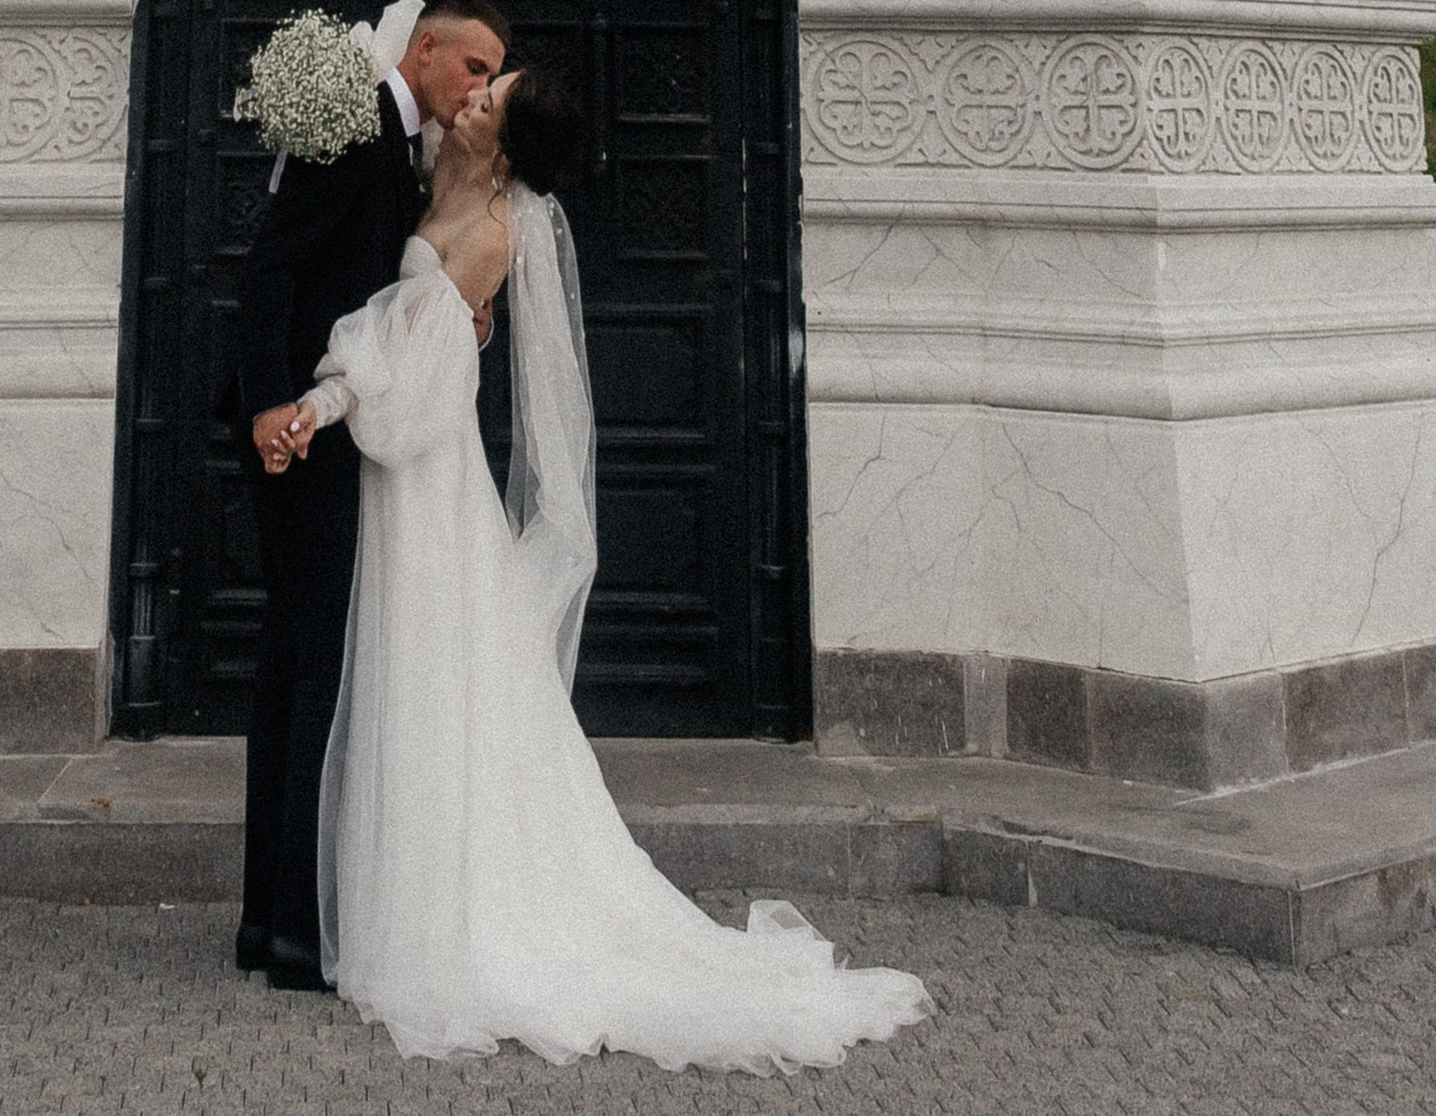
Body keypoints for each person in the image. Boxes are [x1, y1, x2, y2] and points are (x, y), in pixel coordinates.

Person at [259, 70, 932, 1070]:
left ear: (504, 149)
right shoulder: (426, 179)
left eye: (488, 105)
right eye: (477, 88)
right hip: (404, 485)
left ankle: (449, 926)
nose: (469, 103)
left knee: (430, 689)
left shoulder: (488, 233)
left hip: (427, 497)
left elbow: (412, 397)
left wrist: (318, 405)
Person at [233, 0, 510, 989]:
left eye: (491, 78)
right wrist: (271, 402)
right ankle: (296, 933)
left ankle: (272, 923)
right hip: (302, 433)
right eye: (473, 67)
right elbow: (271, 267)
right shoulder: (353, 134)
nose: (479, 87)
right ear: (427, 49)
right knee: (314, 674)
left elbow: (385, 297)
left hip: (333, 427)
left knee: (297, 664)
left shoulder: (403, 150)